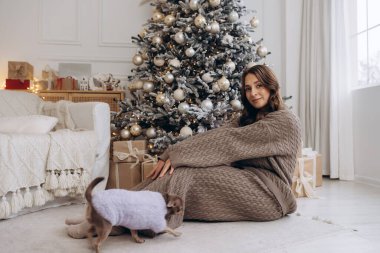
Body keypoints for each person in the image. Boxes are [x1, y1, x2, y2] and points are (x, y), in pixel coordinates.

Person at [66, 64, 301, 238]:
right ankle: (105, 209)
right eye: (248, 88)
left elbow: (228, 141)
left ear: (272, 87)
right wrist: (177, 154)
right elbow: (214, 137)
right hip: (250, 180)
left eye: (259, 86)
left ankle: (113, 218)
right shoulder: (246, 118)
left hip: (270, 195)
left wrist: (175, 153)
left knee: (187, 174)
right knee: (185, 168)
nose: (253, 93)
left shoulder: (283, 122)